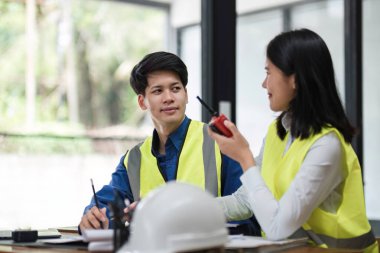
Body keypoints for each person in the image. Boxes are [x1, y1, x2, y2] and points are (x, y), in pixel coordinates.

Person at [211, 29, 378, 252]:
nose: (264, 84)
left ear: (295, 80)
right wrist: (194, 208)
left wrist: (244, 157)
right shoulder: (276, 132)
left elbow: (278, 228)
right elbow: (245, 201)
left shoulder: (327, 145)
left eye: (269, 72)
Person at [79, 51, 260, 236]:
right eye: (158, 91)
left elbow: (248, 220)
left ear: (186, 94)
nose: (169, 98)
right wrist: (93, 218)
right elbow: (109, 206)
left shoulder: (221, 143)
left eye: (175, 89)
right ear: (142, 102)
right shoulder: (132, 160)